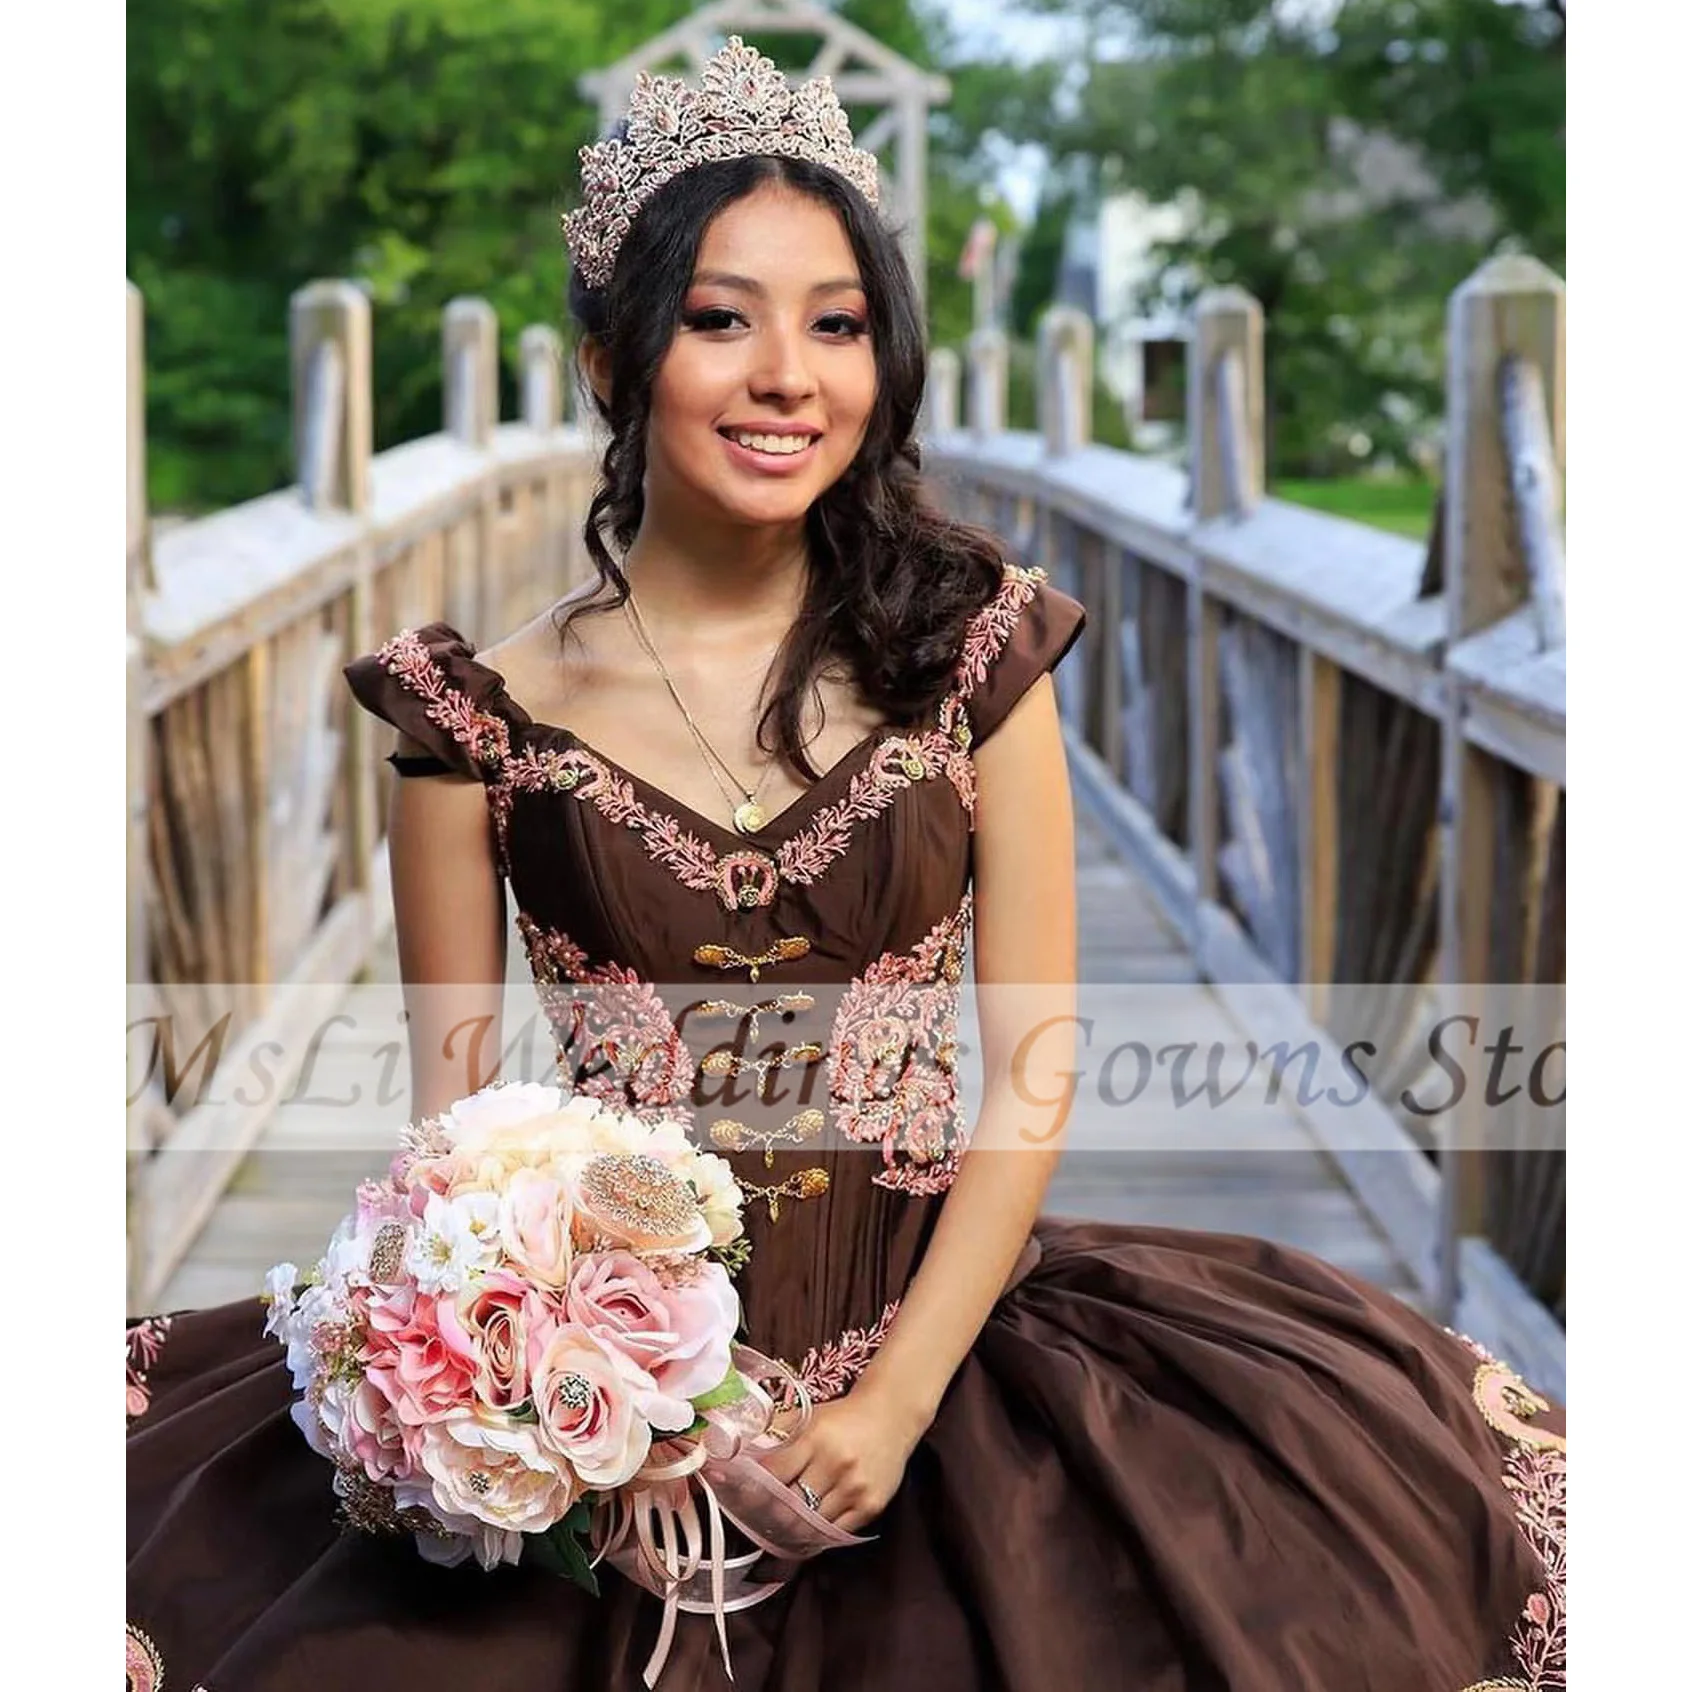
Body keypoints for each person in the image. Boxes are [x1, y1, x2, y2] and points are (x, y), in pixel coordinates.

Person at [126, 38, 1564, 1692]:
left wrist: (890, 1408)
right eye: (720, 320)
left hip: (941, 1337)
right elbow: (455, 1138)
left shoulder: (974, 655)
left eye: (839, 324)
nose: (786, 375)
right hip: (619, 1411)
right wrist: (584, 1411)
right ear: (612, 360)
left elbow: (1031, 1079)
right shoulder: (473, 719)